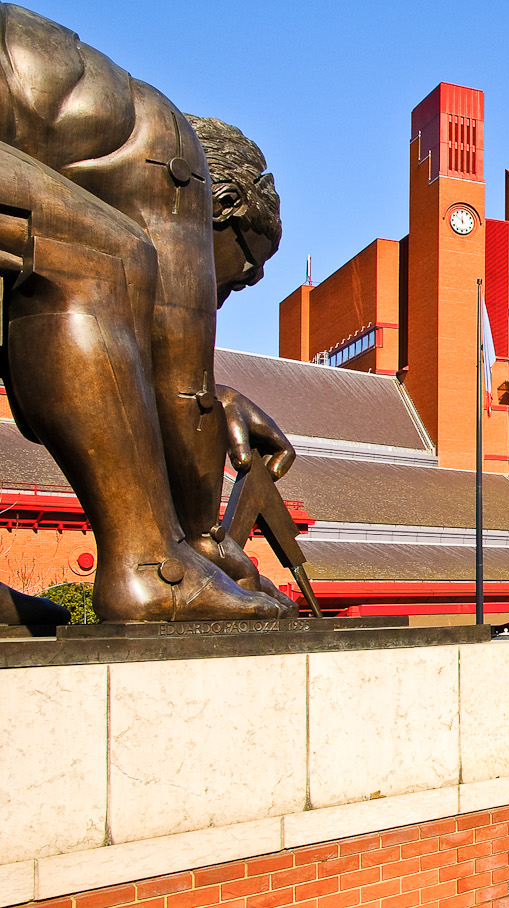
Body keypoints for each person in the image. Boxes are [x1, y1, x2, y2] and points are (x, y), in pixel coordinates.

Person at [0, 7, 296, 623]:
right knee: (103, 257)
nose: (227, 291)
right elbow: (180, 384)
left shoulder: (101, 136)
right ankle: (149, 569)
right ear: (226, 210)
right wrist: (199, 546)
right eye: (242, 270)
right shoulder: (171, 152)